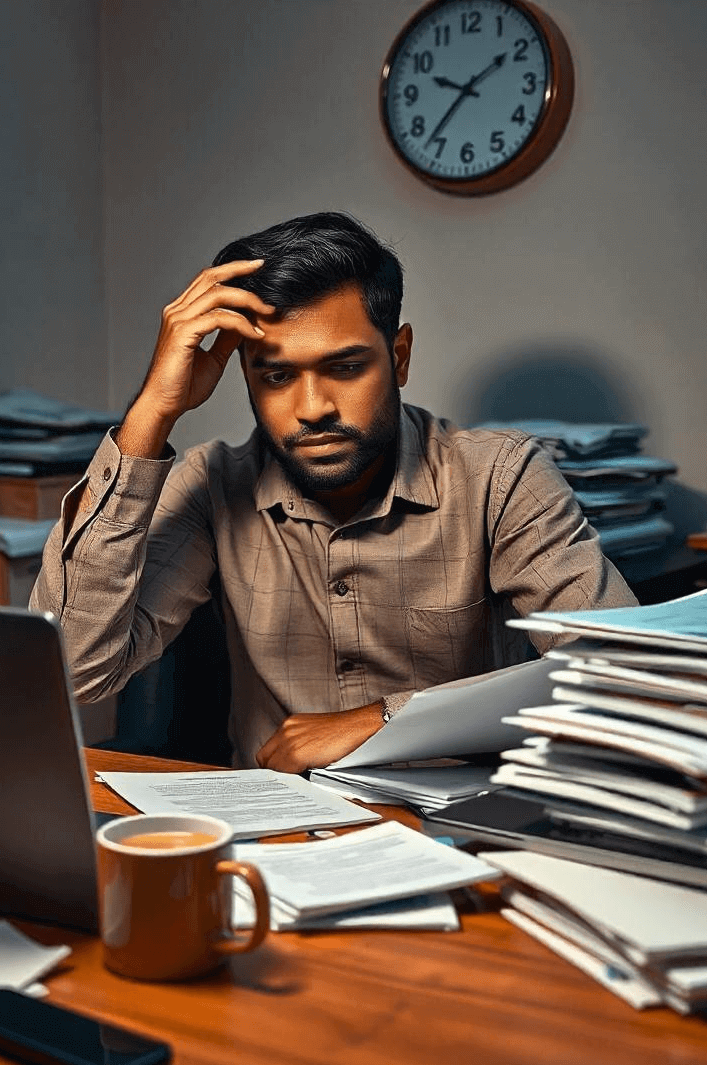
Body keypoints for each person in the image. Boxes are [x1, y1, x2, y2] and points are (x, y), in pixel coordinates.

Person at [31, 212, 637, 772]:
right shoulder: (213, 483)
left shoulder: (499, 479)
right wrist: (153, 413)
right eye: (275, 376)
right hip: (274, 834)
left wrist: (387, 719)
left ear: (398, 357)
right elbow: (75, 672)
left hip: (455, 828)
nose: (313, 409)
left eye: (345, 368)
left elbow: (624, 679)